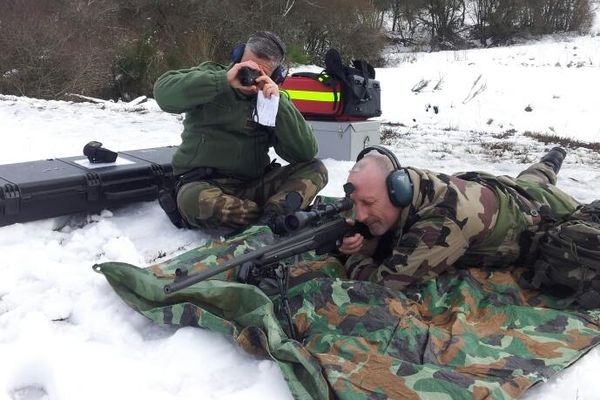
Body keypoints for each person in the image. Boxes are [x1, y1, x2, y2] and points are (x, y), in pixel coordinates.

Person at [338, 145, 580, 290]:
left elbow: (384, 285)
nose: (360, 214)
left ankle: (550, 165)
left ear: (398, 190)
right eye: (355, 204)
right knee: (534, 178)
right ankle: (551, 160)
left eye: (369, 203)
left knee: (545, 190)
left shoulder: (442, 224)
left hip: (541, 215)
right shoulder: (413, 183)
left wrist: (356, 255)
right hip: (506, 188)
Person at [153, 31, 327, 232]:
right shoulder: (211, 77)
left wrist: (279, 105)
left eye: (261, 73)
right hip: (204, 184)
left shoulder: (271, 101)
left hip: (252, 185)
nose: (251, 79)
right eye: (247, 68)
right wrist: (222, 80)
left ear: (275, 75)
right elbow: (163, 93)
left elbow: (304, 153)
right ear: (237, 58)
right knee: (193, 200)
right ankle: (274, 217)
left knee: (316, 169)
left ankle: (271, 217)